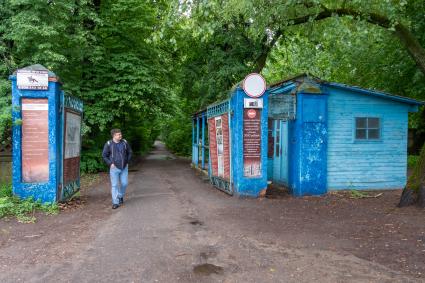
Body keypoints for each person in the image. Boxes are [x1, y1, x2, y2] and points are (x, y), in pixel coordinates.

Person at [102, 129, 133, 209]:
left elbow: (130, 152)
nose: (120, 136)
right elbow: (104, 155)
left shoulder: (124, 142)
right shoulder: (109, 144)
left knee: (124, 183)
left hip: (124, 167)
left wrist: (127, 161)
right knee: (114, 185)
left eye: (120, 134)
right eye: (118, 134)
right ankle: (115, 202)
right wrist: (110, 163)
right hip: (114, 168)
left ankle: (120, 196)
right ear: (114, 136)